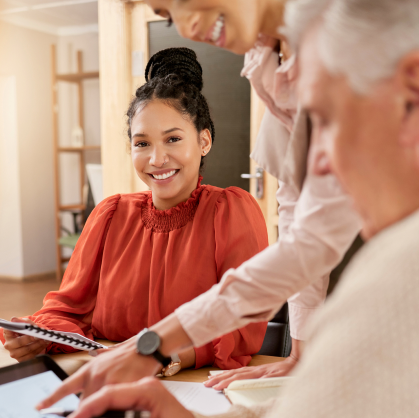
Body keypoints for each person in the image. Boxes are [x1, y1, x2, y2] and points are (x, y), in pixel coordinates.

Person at [48, 0, 419, 418]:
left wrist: (157, 352)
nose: (319, 173)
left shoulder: (396, 278)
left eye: (327, 121)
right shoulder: (113, 212)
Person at [1, 48, 268, 372]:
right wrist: (41, 337)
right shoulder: (109, 216)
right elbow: (66, 310)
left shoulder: (230, 213)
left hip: (191, 388)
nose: (156, 159)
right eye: (142, 144)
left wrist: (167, 355)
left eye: (172, 139)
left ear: (204, 141)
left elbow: (240, 325)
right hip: (107, 380)